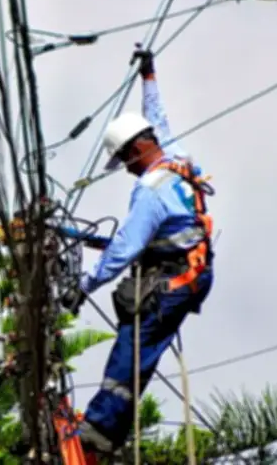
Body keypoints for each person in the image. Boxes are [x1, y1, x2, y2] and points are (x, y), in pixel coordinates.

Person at [61, 48, 216, 453]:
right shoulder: (174, 155)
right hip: (193, 270)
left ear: (134, 151)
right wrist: (149, 75)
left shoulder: (149, 192)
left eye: (124, 161)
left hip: (177, 279)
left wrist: (83, 286)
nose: (126, 168)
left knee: (132, 344)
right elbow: (156, 115)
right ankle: (108, 429)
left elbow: (123, 252)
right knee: (140, 338)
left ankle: (98, 433)